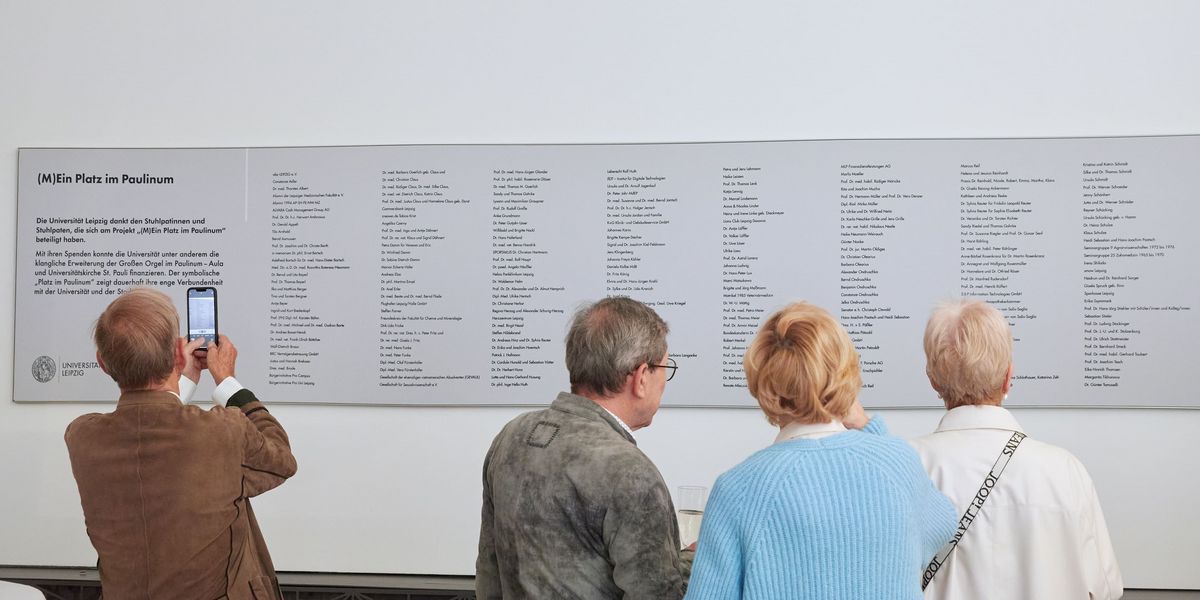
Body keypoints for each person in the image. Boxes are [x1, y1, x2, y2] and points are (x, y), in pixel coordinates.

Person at [686, 301, 956, 600]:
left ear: (763, 381)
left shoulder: (737, 490)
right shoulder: (896, 462)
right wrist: (867, 426)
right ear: (846, 373)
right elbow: (942, 525)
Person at [64, 287, 297, 600]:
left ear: (102, 363)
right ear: (177, 353)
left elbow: (150, 428)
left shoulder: (83, 437)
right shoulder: (221, 432)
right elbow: (281, 458)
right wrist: (227, 381)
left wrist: (182, 380)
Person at [476, 296, 690, 599]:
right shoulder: (630, 471)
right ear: (641, 377)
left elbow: (489, 575)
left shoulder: (512, 435)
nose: (664, 383)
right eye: (663, 369)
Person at [910, 298, 1123, 599]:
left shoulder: (905, 467)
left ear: (932, 379)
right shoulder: (1065, 471)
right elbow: (1105, 588)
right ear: (1008, 377)